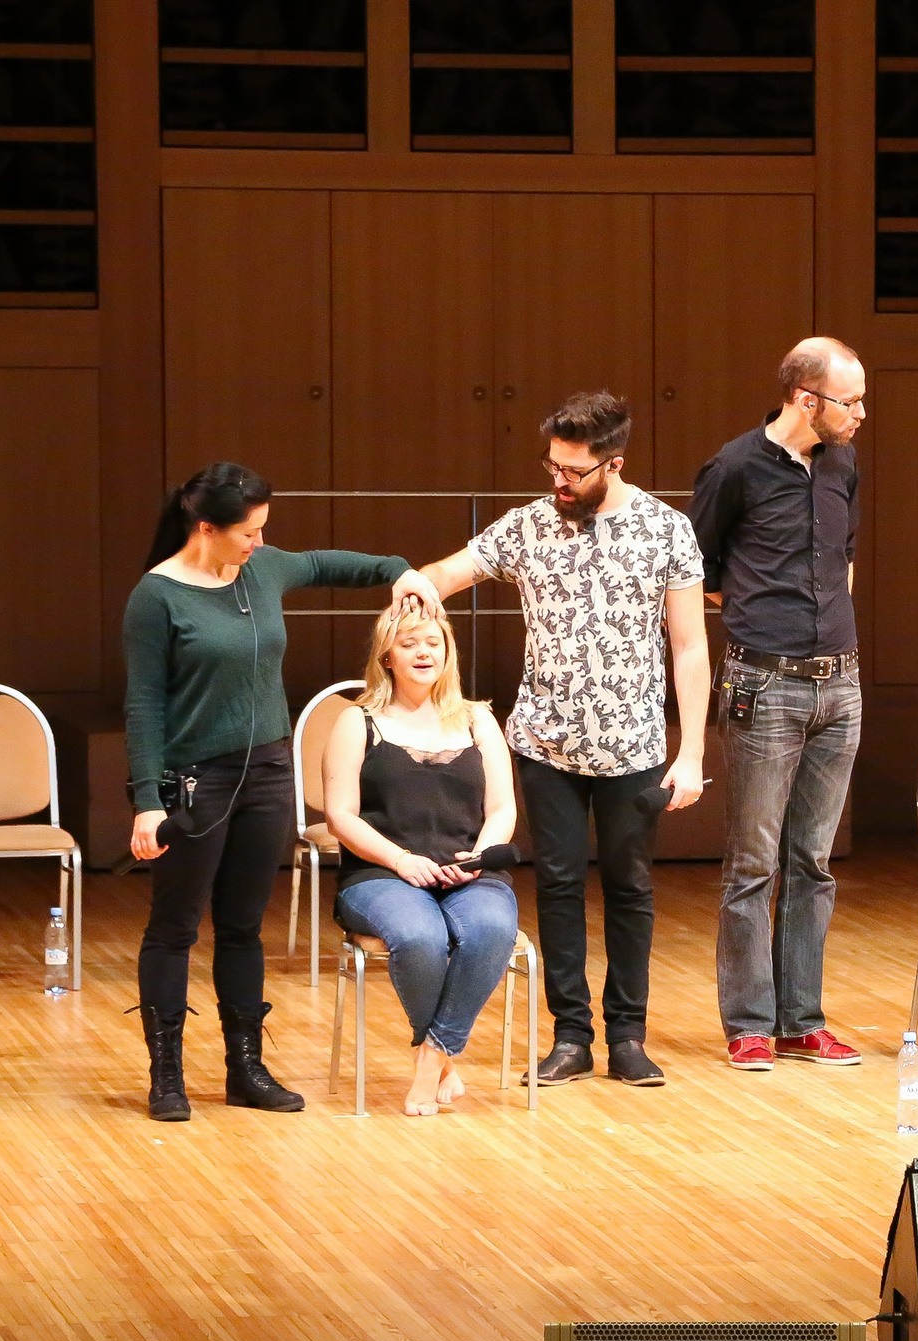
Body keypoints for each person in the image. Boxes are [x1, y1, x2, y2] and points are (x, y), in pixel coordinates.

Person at [124, 462, 447, 1122]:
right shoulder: (156, 596)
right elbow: (144, 703)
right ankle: (167, 1074)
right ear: (206, 527)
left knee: (243, 925)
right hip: (193, 780)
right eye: (249, 532)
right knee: (175, 926)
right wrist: (145, 799)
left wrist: (400, 569)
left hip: (266, 772)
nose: (260, 544)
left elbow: (334, 564)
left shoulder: (262, 569)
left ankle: (244, 1068)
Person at [419, 391, 709, 1089]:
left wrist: (692, 750)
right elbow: (445, 574)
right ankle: (570, 1035)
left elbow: (690, 646)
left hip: (634, 747)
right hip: (545, 742)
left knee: (631, 887)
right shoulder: (530, 525)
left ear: (613, 464)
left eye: (573, 471)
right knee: (556, 884)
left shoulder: (666, 530)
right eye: (553, 465)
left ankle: (629, 1036)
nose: (559, 481)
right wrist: (413, 593)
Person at [691, 337, 868, 1072]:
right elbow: (696, 571)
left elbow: (845, 559)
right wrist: (763, 619)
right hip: (764, 682)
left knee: (813, 862)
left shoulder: (844, 465)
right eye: (849, 401)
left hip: (841, 682)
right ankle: (750, 1022)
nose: (860, 414)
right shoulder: (734, 467)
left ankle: (803, 1020)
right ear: (807, 400)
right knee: (754, 861)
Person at [322, 602, 521, 1116]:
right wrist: (401, 860)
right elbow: (340, 816)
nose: (423, 652)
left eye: (433, 642)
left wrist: (478, 857)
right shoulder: (356, 721)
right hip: (380, 873)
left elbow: (501, 807)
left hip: (468, 872)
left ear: (448, 651)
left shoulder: (478, 717)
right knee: (419, 936)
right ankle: (444, 1061)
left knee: (492, 930)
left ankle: (433, 1057)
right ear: (387, 655)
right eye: (409, 643)